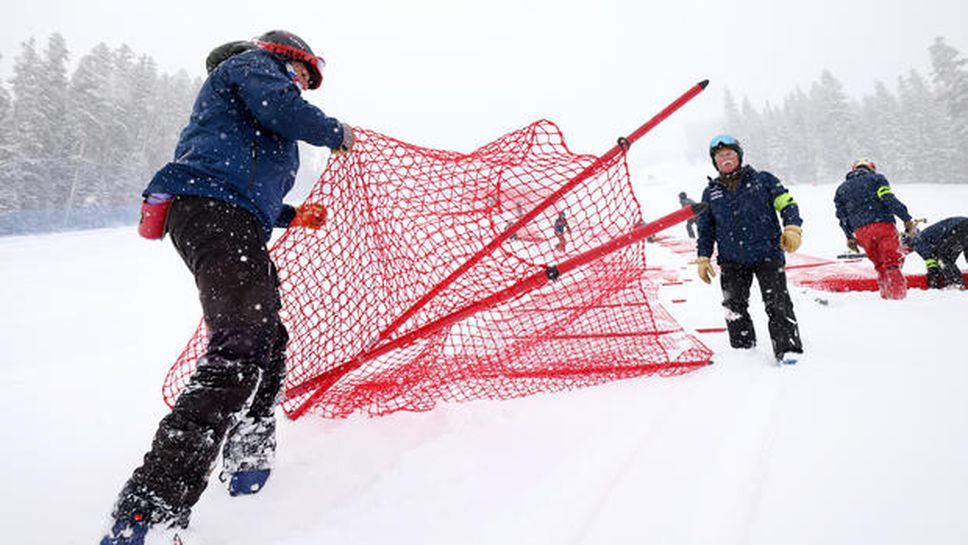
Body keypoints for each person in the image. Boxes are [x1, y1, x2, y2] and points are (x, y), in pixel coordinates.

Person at [99, 30, 354, 545]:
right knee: (240, 344)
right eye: (304, 75)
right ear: (287, 57)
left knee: (268, 339)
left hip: (232, 216)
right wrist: (336, 132)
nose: (302, 87)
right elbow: (279, 110)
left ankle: (249, 442)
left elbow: (245, 182)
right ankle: (152, 505)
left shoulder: (251, 106)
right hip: (214, 213)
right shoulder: (252, 67)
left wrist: (293, 215)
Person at [695, 134, 804, 364]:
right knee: (734, 307)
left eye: (730, 154)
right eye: (720, 156)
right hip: (732, 261)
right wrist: (703, 256)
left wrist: (793, 227)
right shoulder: (710, 193)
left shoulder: (763, 180)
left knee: (778, 304)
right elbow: (706, 229)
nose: (725, 158)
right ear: (714, 162)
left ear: (739, 156)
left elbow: (787, 204)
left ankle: (788, 350)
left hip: (768, 255)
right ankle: (743, 353)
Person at [833, 159, 917, 300]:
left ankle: (886, 297)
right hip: (883, 225)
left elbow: (842, 217)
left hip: (861, 231)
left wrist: (849, 237)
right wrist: (906, 218)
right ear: (871, 169)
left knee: (879, 265)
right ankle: (898, 300)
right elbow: (888, 199)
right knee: (892, 264)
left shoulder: (841, 189)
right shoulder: (877, 179)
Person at [902, 216, 968, 289]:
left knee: (943, 258)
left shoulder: (917, 241)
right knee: (946, 259)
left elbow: (931, 259)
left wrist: (933, 276)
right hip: (963, 225)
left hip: (959, 228)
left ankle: (957, 284)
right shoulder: (927, 236)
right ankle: (955, 279)